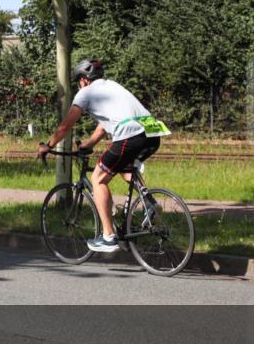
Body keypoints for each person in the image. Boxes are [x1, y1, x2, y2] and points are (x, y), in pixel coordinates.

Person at [38, 59, 171, 253]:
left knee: (98, 178)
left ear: (84, 79)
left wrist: (48, 145)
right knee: (124, 167)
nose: (79, 85)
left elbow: (66, 126)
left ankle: (109, 237)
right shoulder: (112, 86)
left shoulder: (85, 93)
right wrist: (89, 144)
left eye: (78, 81)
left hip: (130, 135)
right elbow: (104, 126)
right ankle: (150, 204)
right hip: (152, 134)